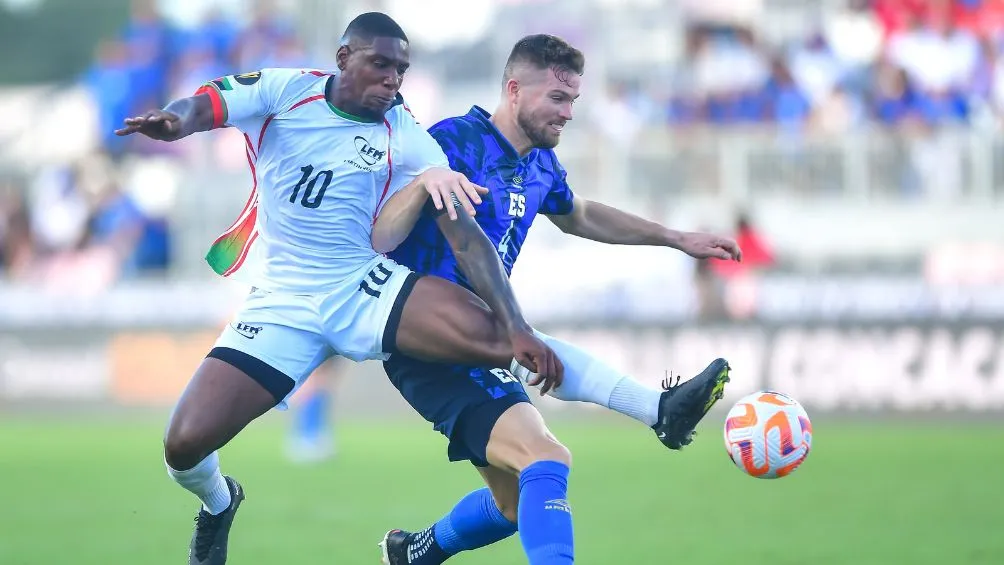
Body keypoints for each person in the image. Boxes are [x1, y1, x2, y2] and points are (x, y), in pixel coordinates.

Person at [114, 13, 566, 565]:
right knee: (183, 445)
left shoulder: (405, 131)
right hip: (284, 304)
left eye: (401, 69)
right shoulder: (286, 90)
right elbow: (209, 104)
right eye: (380, 64)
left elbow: (466, 236)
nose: (392, 79)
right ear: (344, 57)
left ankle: (650, 405)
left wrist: (517, 325)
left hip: (362, 287)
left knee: (509, 339)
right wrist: (176, 122)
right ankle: (218, 502)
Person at [371, 35, 741, 565]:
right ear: (515, 89)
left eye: (573, 101)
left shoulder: (540, 165)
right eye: (557, 99)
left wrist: (676, 238)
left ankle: (415, 554)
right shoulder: (454, 142)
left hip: (485, 337)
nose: (567, 114)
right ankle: (657, 409)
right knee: (547, 458)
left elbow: (581, 214)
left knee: (515, 503)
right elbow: (404, 223)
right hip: (430, 342)